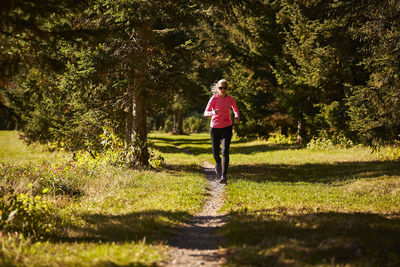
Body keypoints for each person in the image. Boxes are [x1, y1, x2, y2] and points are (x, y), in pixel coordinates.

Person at [204, 79, 239, 183]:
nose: (223, 90)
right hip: (215, 127)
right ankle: (217, 162)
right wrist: (213, 112)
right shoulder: (214, 98)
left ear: (227, 88)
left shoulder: (230, 99)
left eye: (225, 88)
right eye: (221, 88)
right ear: (218, 88)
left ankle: (224, 176)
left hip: (227, 126)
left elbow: (235, 109)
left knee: (225, 151)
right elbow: (206, 112)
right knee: (215, 153)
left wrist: (236, 116)